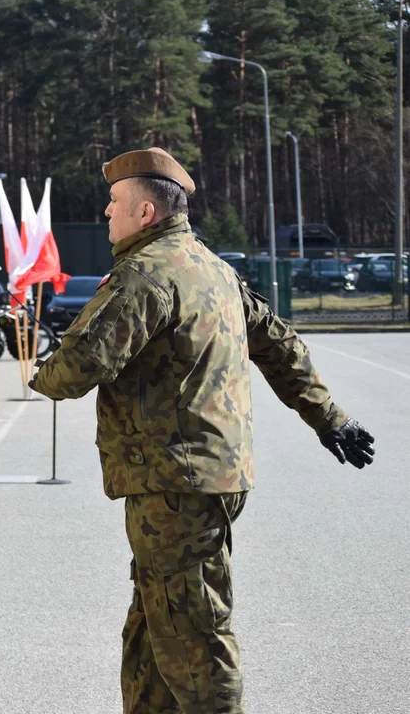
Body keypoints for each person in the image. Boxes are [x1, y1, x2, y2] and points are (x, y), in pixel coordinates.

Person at [28, 147, 377, 714]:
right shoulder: (212, 267)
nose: (106, 213)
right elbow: (280, 343)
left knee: (195, 638)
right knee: (150, 633)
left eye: (115, 202)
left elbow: (72, 373)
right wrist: (329, 416)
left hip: (174, 485)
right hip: (204, 477)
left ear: (145, 212)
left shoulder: (145, 274)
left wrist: (45, 363)